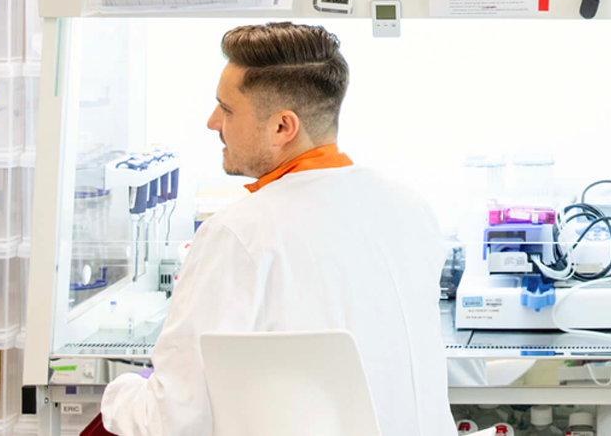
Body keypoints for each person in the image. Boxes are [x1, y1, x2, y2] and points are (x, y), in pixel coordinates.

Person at [86, 22, 453, 436]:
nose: (212, 122)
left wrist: (120, 394)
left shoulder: (240, 232)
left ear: (282, 127)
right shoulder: (410, 207)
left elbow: (175, 419)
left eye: (226, 109)